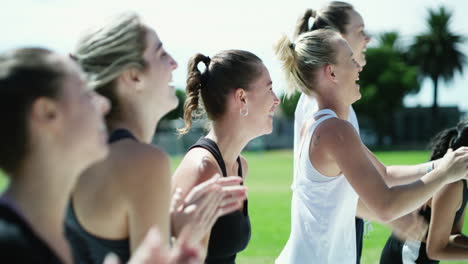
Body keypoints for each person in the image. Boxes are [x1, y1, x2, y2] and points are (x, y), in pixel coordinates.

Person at [274, 28, 468, 264]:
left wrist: (444, 163)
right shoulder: (335, 131)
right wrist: (445, 174)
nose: (359, 67)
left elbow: (385, 174)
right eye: (351, 60)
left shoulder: (326, 125)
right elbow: (386, 205)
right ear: (332, 72)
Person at [66, 12, 247, 264]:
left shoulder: (72, 154)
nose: (174, 63)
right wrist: (187, 239)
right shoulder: (142, 161)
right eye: (161, 54)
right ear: (133, 76)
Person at [291, 3, 427, 263]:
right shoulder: (324, 114)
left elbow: (381, 173)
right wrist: (392, 214)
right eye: (360, 30)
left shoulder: (338, 108)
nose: (367, 39)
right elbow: (329, 189)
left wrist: (439, 168)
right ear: (337, 37)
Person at [173, 50, 280, 263]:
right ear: (241, 98)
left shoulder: (240, 166)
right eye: (269, 89)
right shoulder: (203, 169)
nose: (276, 100)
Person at [380, 119, 468, 264]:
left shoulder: (463, 182)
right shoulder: (452, 185)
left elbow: (453, 234)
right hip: (407, 256)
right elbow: (435, 250)